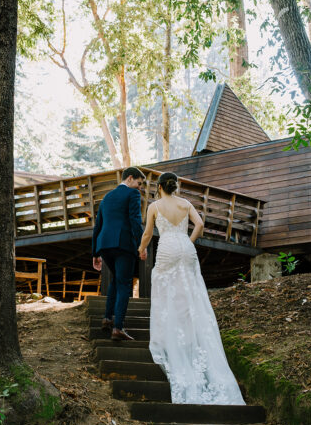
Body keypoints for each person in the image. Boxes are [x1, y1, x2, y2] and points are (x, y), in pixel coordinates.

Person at [138, 171, 245, 404]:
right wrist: (189, 241)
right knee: (190, 294)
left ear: (159, 187)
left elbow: (148, 232)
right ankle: (190, 335)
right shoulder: (185, 204)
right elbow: (200, 224)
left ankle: (170, 339)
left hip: (167, 247)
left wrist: (142, 248)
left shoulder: (154, 206)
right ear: (174, 187)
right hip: (186, 248)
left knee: (166, 292)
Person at [91, 166, 146, 340]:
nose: (140, 187)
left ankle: (107, 318)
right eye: (139, 183)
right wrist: (142, 245)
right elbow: (135, 221)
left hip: (105, 245)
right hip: (123, 244)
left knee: (116, 279)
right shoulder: (132, 194)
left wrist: (95, 253)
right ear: (130, 178)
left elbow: (98, 226)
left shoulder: (106, 197)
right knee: (124, 284)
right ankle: (118, 327)